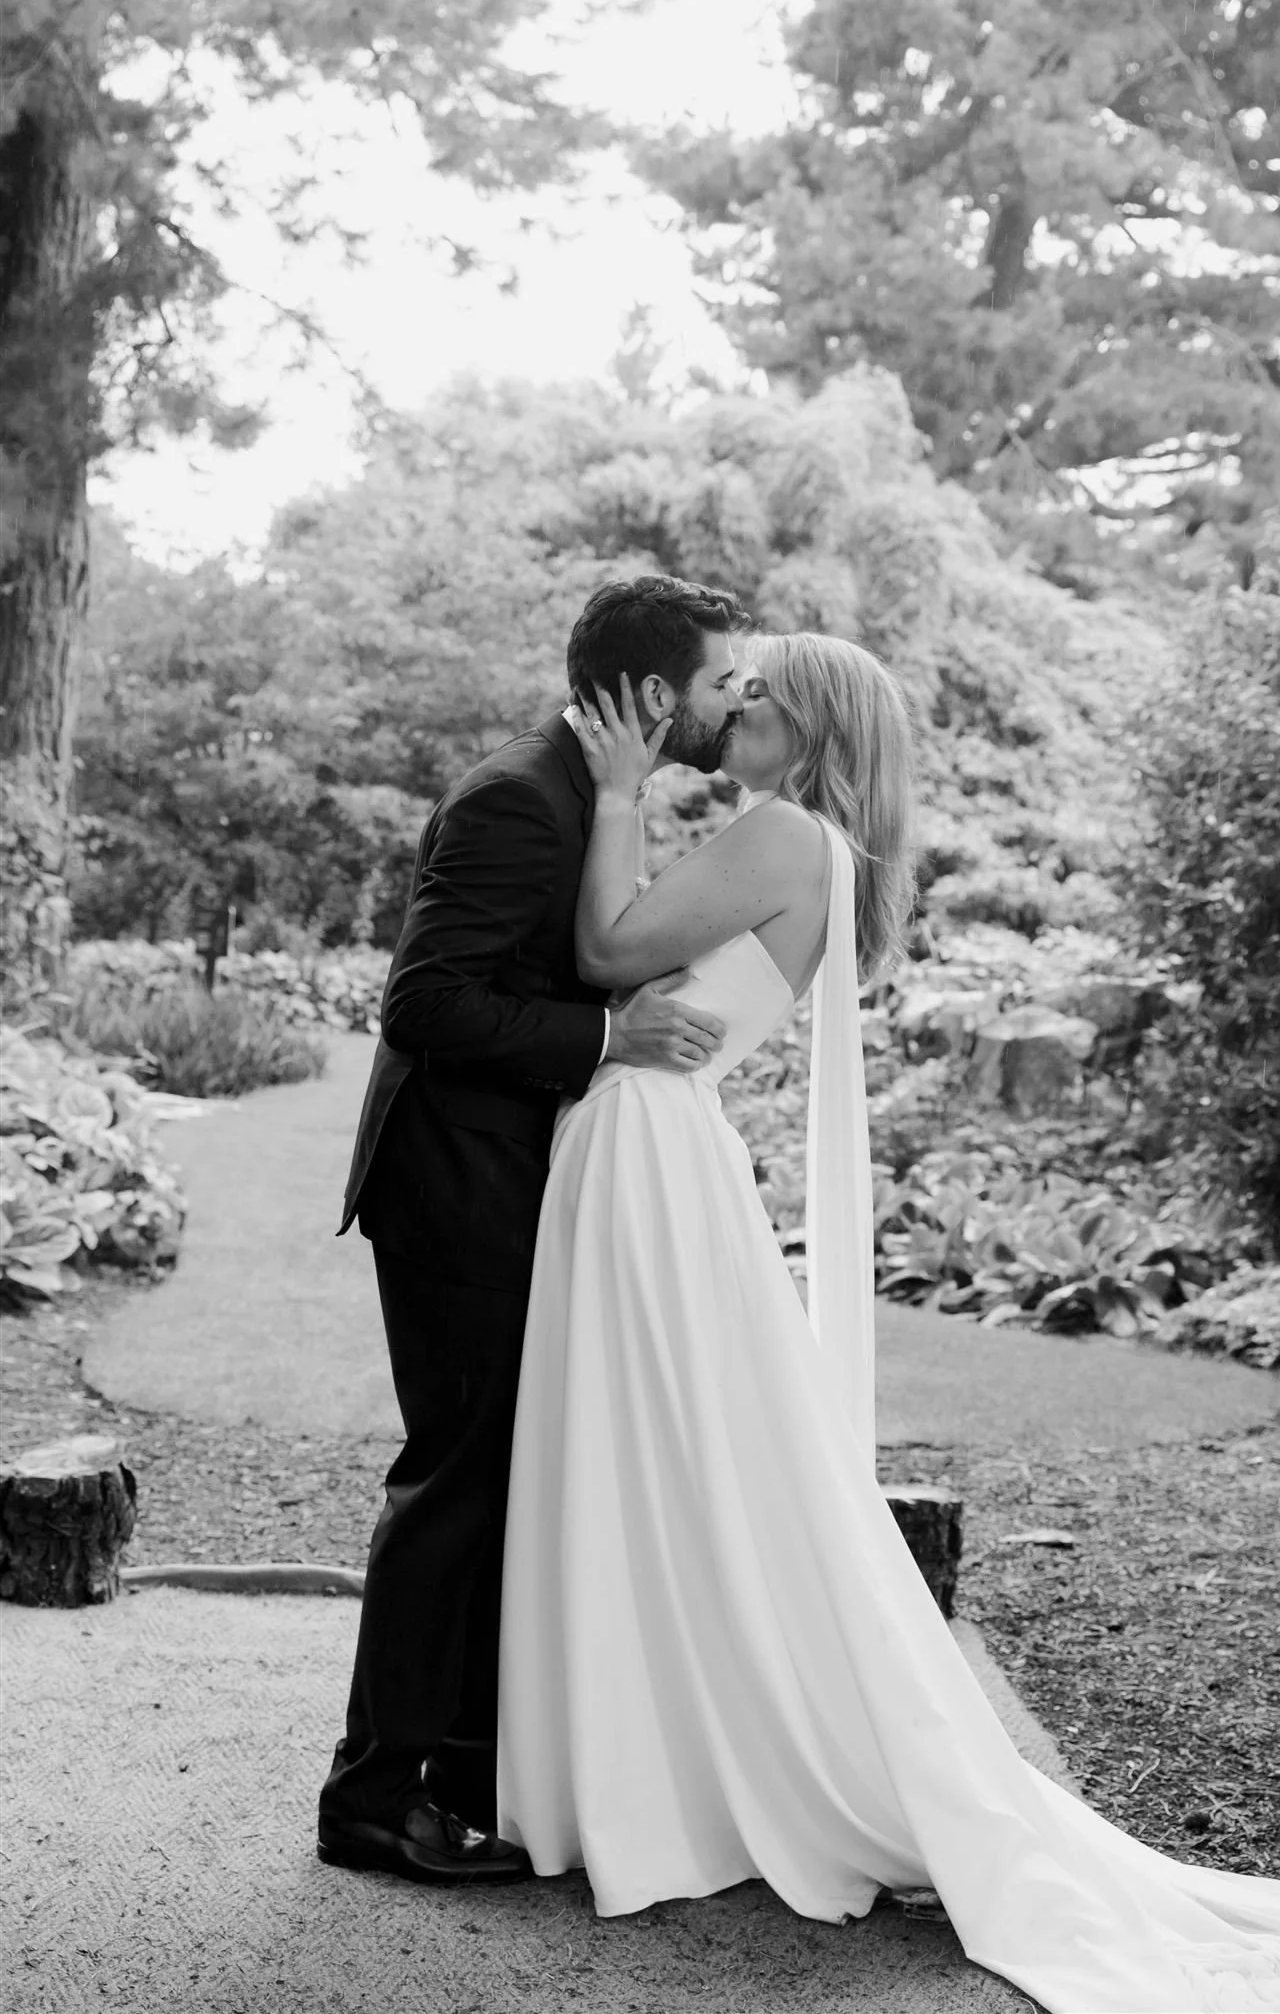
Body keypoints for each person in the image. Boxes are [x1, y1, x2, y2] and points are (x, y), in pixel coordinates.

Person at [495, 633, 1280, 2012]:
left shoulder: (786, 834)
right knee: (642, 1456)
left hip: (646, 1153)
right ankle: (645, 1756)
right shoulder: (781, 838)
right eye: (731, 688)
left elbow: (604, 948)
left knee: (645, 1450)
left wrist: (620, 788)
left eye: (755, 694)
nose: (730, 704)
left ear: (801, 733)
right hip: (641, 1146)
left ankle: (649, 1777)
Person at [318, 575, 749, 1885]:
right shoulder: (521, 795)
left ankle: (461, 1767)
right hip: (453, 1186)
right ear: (661, 693)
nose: (734, 707)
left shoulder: (585, 792)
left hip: (513, 1180)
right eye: (723, 682)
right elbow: (425, 1007)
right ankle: (372, 1800)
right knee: (455, 1478)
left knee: (501, 1475)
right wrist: (606, 1034)